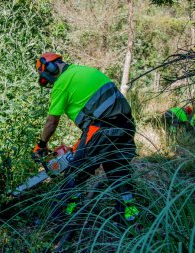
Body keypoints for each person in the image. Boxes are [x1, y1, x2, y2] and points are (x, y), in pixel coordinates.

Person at [33, 52, 138, 223]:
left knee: (75, 173)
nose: (50, 83)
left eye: (46, 77)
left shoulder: (62, 83)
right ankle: (128, 215)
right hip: (125, 127)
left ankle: (60, 217)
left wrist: (41, 145)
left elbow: (51, 123)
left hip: (101, 130)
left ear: (50, 68)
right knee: (119, 171)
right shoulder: (86, 71)